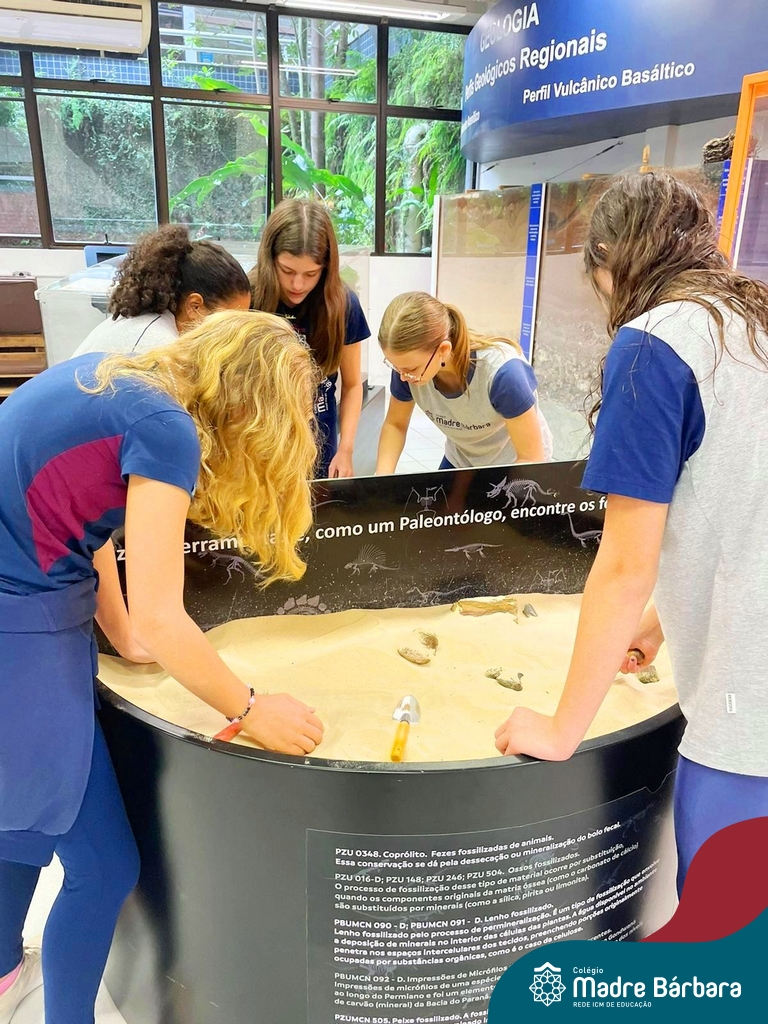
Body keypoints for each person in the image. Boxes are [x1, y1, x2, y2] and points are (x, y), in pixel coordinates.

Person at [0, 311, 324, 1023]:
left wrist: (119, 630)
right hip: (18, 627)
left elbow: (81, 519)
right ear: (255, 405)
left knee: (34, 833)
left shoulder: (111, 378)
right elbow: (162, 615)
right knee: (88, 861)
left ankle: (7, 975)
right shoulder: (168, 430)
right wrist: (249, 706)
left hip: (30, 607)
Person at [494, 173, 768, 894]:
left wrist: (562, 728)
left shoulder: (655, 343)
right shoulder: (754, 323)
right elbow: (746, 507)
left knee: (727, 929)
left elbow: (623, 564)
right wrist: (660, 623)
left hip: (749, 720)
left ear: (609, 260)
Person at [250, 199, 370, 479]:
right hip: (262, 440)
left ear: (326, 268)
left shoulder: (343, 304)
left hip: (320, 439)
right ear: (270, 259)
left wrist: (346, 449)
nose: (297, 285)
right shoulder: (249, 297)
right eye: (287, 271)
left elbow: (353, 385)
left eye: (311, 274)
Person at [376, 292, 552, 472]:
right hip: (463, 457)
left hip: (513, 461)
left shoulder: (504, 375)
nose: (403, 377)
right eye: (396, 367)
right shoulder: (406, 371)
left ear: (443, 350)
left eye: (411, 369)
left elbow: (530, 458)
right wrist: (381, 478)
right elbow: (395, 425)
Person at [72, 224, 252, 357]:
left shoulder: (147, 323)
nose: (236, 333)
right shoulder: (158, 347)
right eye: (231, 321)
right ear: (195, 306)